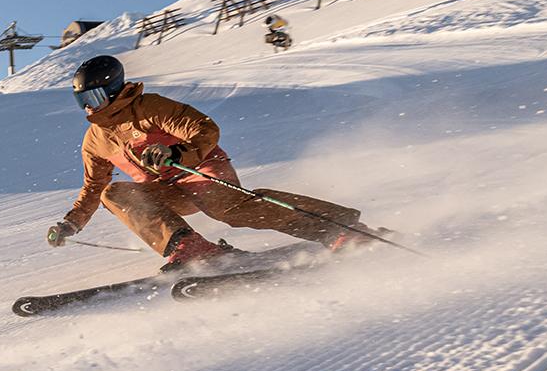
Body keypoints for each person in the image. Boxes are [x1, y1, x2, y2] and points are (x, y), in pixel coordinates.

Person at [44, 55, 377, 270]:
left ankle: (339, 228)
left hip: (198, 169)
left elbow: (204, 129)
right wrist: (71, 224)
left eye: (94, 97)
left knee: (228, 209)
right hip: (164, 190)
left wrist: (177, 153)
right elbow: (94, 186)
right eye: (82, 100)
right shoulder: (96, 139)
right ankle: (189, 247)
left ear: (115, 90)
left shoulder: (150, 107)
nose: (89, 107)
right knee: (114, 193)